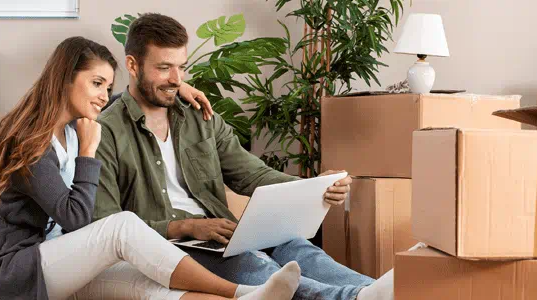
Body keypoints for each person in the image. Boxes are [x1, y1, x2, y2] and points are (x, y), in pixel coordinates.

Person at [0, 36, 302, 300]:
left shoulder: (73, 127)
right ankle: (239, 292)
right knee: (121, 226)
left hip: (59, 262)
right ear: (65, 79)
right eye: (96, 83)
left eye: (107, 86)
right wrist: (88, 153)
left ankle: (249, 299)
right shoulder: (33, 143)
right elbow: (77, 219)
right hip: (16, 275)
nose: (103, 96)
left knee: (147, 285)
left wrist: (174, 87)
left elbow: (128, 101)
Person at [93, 14, 394, 300]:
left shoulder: (199, 117)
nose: (176, 79)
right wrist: (185, 227)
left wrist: (314, 186)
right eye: (163, 68)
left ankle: (377, 290)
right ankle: (355, 296)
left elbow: (252, 174)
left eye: (181, 68)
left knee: (298, 247)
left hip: (218, 235)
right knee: (256, 265)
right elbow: (106, 224)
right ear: (133, 66)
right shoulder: (105, 132)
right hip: (167, 246)